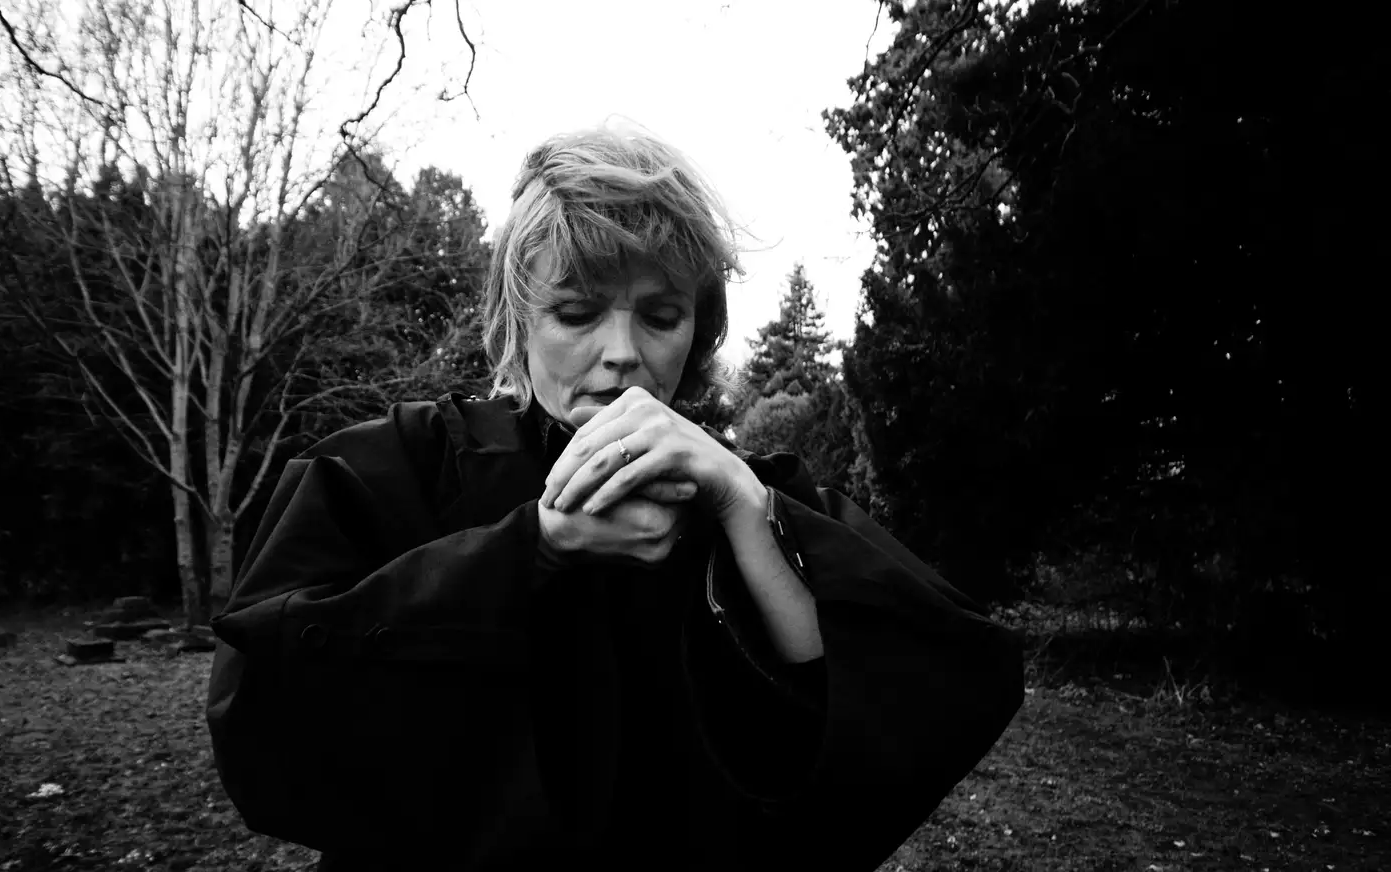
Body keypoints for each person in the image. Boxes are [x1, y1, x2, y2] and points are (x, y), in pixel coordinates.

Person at [206, 123, 1024, 871]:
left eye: (660, 316)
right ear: (515, 318)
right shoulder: (399, 467)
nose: (622, 354)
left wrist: (746, 509)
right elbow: (265, 703)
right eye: (575, 311)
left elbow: (922, 690)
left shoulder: (751, 488)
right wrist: (532, 548)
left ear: (696, 333)